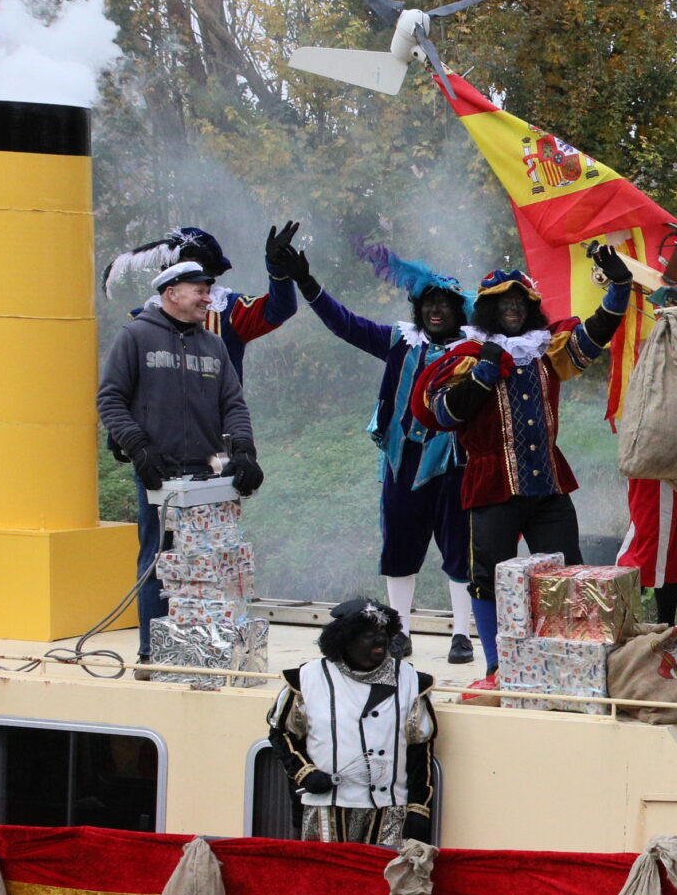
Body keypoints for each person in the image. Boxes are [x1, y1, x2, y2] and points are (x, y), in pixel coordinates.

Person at [413, 246, 636, 673]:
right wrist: (481, 376)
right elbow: (441, 414)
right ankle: (497, 664)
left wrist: (620, 287)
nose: (513, 308)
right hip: (492, 484)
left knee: (567, 573)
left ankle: (568, 658)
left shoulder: (546, 351)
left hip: (548, 485)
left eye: (520, 302)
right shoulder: (466, 357)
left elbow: (596, 332)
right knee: (490, 579)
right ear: (488, 311)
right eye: (503, 303)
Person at [291, 241, 476, 663]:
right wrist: (306, 282)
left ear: (458, 312)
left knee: (460, 548)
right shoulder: (399, 343)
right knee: (398, 548)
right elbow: (346, 325)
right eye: (428, 302)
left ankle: (462, 635)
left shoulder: (473, 354)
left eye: (444, 304)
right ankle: (401, 632)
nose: (435, 311)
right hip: (402, 459)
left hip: (454, 462)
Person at [94, 258, 264, 660]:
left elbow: (233, 404)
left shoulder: (213, 343)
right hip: (161, 475)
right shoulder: (136, 336)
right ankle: (152, 653)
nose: (208, 297)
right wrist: (139, 447)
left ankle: (211, 650)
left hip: (209, 478)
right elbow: (110, 398)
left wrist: (244, 451)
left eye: (208, 289)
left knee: (214, 566)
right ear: (171, 293)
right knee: (160, 562)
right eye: (200, 289)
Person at [267, 598, 439, 847]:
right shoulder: (307, 678)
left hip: (389, 810)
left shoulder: (412, 681)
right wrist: (306, 773)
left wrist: (418, 807)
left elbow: (420, 750)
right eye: (368, 634)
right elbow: (281, 734)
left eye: (383, 632)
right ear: (344, 641)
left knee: (382, 881)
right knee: (327, 880)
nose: (379, 640)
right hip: (326, 808)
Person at [106, 223, 303, 379]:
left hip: (214, 426)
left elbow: (281, 309)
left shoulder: (228, 309)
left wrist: (277, 268)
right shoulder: (143, 319)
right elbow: (122, 389)